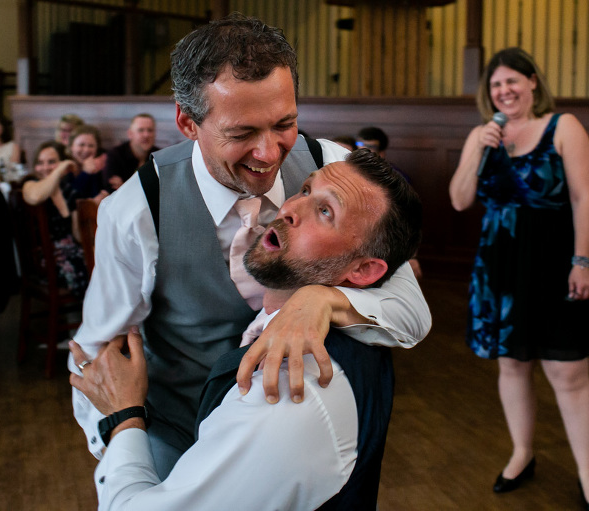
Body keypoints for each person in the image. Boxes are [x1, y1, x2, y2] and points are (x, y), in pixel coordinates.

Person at [69, 13, 431, 479]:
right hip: (179, 438)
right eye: (241, 134)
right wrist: (127, 461)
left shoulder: (332, 169)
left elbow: (412, 313)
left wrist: (324, 300)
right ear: (187, 122)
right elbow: (95, 355)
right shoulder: (137, 209)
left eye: (284, 123)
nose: (269, 154)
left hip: (294, 437)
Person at [70, 149, 422, 510]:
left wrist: (123, 417)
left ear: (364, 272)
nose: (287, 208)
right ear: (188, 123)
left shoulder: (280, 394)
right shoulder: (138, 201)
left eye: (325, 211)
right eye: (304, 190)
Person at [448, 48, 589, 511]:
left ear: (533, 82)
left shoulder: (564, 127)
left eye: (512, 82)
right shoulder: (483, 134)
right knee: (511, 365)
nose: (504, 91)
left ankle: (588, 475)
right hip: (498, 268)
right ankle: (522, 453)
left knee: (569, 371)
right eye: (496, 86)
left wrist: (582, 261)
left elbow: (584, 199)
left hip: (556, 261)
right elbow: (460, 200)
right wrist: (479, 146)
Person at [21, 140, 90, 297]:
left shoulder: (69, 190)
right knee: (84, 269)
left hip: (72, 252)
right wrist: (58, 170)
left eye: (51, 162)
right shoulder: (30, 184)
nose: (45, 167)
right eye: (40, 162)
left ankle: (96, 317)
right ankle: (89, 317)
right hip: (44, 260)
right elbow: (37, 196)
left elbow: (78, 235)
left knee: (106, 264)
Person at [356, 126, 422, 278]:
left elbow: (409, 222)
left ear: (382, 153)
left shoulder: (398, 181)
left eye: (370, 147)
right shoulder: (348, 174)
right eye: (360, 146)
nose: (363, 151)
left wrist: (411, 256)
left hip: (384, 245)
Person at [103, 113, 160, 192]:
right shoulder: (115, 155)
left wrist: (124, 186)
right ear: (130, 134)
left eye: (150, 130)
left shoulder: (160, 155)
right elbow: (110, 188)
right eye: (141, 130)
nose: (146, 135)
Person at [62, 124, 108, 215]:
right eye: (81, 145)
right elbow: (69, 204)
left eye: (91, 146)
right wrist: (85, 173)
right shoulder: (65, 168)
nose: (86, 150)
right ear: (71, 147)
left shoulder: (100, 168)